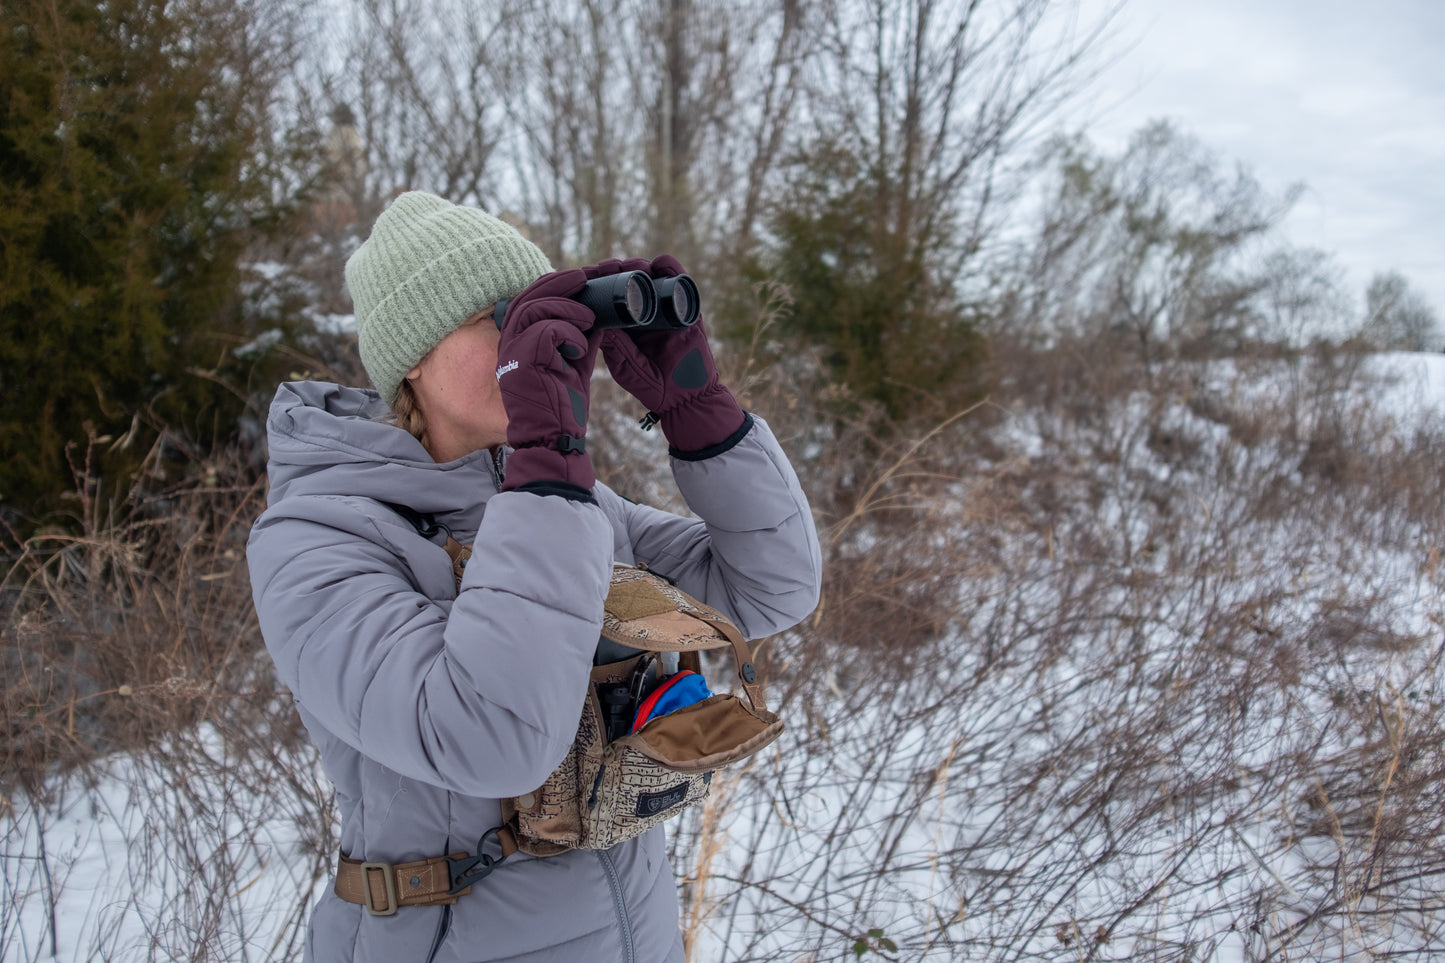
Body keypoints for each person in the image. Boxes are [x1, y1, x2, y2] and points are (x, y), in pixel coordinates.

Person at [246, 190, 822, 963]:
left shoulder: (571, 505)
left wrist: (699, 413)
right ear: (413, 355)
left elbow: (767, 590)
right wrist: (549, 472)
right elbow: (489, 739)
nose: (537, 345)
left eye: (544, 315)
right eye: (502, 319)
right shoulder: (317, 538)